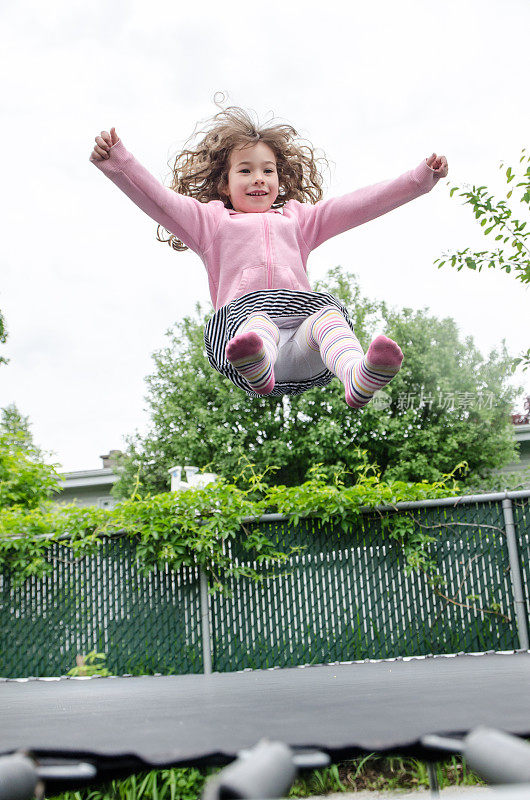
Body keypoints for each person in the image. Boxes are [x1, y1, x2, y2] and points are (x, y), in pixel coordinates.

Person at [89, 104, 448, 407]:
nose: (258, 178)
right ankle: (258, 363)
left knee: (328, 318)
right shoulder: (210, 223)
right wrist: (118, 160)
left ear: (280, 178)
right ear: (224, 184)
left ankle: (357, 377)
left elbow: (358, 205)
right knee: (258, 323)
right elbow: (159, 200)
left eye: (267, 170)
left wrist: (420, 179)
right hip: (250, 345)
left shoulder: (299, 221)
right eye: (245, 170)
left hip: (303, 348)